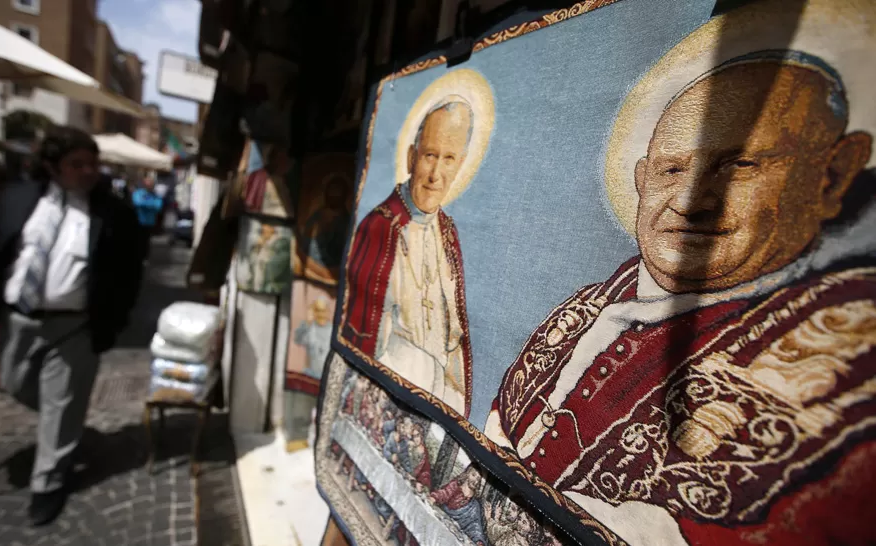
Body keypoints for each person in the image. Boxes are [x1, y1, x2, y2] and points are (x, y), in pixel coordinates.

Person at [485, 51, 876, 545]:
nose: (691, 201)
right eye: (671, 171)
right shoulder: (595, 301)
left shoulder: (843, 357)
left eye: (740, 165)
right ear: (642, 180)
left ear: (832, 175)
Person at [0, 126, 143, 526]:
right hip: (18, 319)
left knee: (61, 403)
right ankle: (68, 426)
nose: (89, 171)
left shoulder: (113, 213)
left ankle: (49, 483)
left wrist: (112, 319)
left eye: (93, 163)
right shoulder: (18, 199)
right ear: (52, 166)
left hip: (75, 325)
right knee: (15, 383)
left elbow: (128, 274)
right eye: (77, 164)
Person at [341, 98, 475, 417]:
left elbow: (454, 340)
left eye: (449, 159)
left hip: (437, 396)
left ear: (461, 165)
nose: (435, 175)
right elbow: (364, 336)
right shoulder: (380, 226)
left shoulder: (448, 234)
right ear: (412, 156)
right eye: (430, 156)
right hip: (388, 393)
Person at [131, 175, 163, 261]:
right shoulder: (139, 193)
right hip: (138, 221)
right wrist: (150, 204)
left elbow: (158, 206)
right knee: (137, 240)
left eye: (151, 183)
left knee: (146, 242)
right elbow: (137, 202)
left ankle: (144, 258)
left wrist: (146, 204)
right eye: (147, 183)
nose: (149, 185)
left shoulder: (156, 195)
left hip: (149, 222)